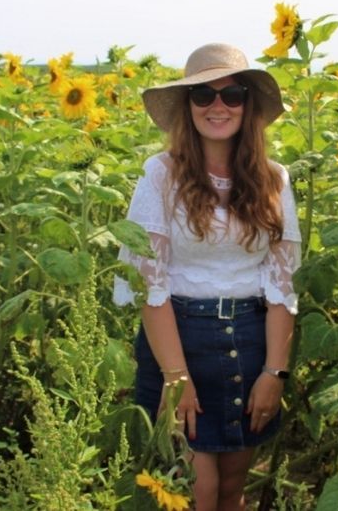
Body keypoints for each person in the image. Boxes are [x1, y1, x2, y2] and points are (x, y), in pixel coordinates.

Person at [113, 43, 302, 509]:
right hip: (180, 339)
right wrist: (175, 376)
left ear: (247, 105)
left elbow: (281, 285)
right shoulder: (160, 176)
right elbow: (149, 284)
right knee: (193, 490)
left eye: (232, 94)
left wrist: (274, 372)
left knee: (233, 489)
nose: (218, 106)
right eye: (203, 95)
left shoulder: (273, 180)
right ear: (187, 105)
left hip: (251, 340)